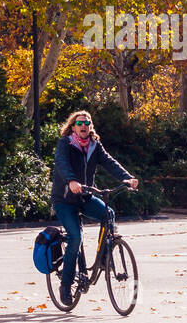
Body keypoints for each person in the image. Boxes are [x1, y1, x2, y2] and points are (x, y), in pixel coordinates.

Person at [51, 110, 138, 307]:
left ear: (90, 126)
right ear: (73, 127)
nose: (83, 126)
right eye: (79, 123)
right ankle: (65, 286)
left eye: (87, 123)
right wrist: (71, 180)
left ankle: (106, 255)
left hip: (84, 196)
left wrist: (126, 177)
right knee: (75, 238)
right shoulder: (65, 143)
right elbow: (62, 164)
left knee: (108, 214)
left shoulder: (94, 145)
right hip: (64, 200)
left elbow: (109, 162)